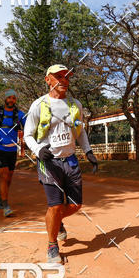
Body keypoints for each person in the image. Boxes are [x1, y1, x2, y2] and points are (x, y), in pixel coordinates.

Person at [24, 64, 98, 263]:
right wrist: (38, 150)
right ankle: (52, 246)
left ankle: (56, 222)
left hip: (71, 160)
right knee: (55, 206)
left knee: (75, 205)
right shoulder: (38, 105)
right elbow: (28, 135)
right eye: (59, 76)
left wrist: (88, 151)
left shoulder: (75, 105)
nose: (64, 80)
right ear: (48, 79)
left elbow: (80, 130)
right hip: (49, 162)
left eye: (66, 77)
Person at [0, 89, 26, 217]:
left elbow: (28, 127)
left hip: (12, 150)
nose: (11, 100)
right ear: (5, 99)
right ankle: (6, 205)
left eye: (14, 98)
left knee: (9, 178)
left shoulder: (20, 114)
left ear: (15, 100)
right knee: (4, 176)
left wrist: (24, 144)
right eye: (9, 97)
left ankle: (1, 196)